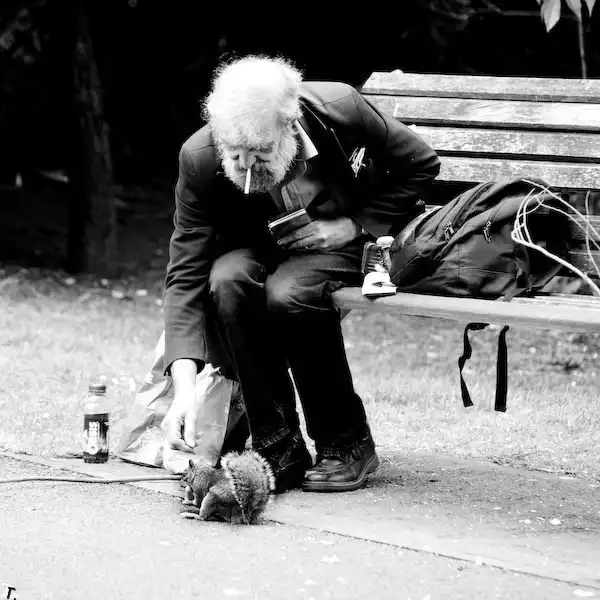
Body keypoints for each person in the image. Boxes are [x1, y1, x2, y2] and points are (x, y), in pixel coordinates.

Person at [162, 55, 441, 494]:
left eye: (260, 153)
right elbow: (185, 273)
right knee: (227, 280)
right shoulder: (198, 157)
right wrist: (184, 390)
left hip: (348, 243)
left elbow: (420, 164)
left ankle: (347, 442)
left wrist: (354, 225)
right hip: (264, 246)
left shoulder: (340, 108)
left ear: (289, 123)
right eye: (234, 155)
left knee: (290, 292)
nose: (247, 168)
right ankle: (278, 449)